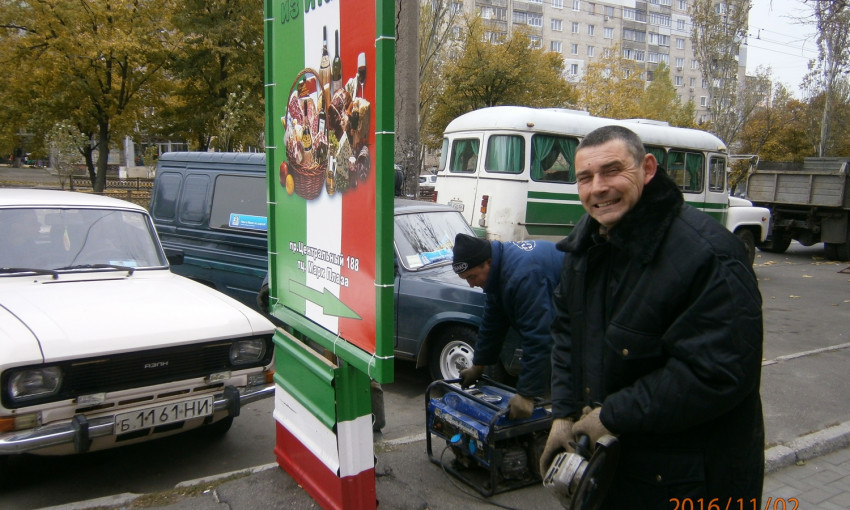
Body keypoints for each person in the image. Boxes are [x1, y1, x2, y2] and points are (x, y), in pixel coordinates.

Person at [539, 125, 764, 508]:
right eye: (584, 178)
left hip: (692, 482)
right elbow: (566, 334)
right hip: (618, 472)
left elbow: (717, 373)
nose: (598, 188)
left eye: (612, 171)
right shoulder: (587, 247)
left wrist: (613, 415)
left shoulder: (708, 255)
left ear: (647, 169)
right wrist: (562, 413)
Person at [452, 233, 564, 420]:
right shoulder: (499, 271)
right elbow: (492, 323)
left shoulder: (522, 276)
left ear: (487, 262)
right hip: (563, 319)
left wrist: (526, 394)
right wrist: (478, 366)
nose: (471, 285)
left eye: (472, 276)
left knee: (572, 397)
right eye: (466, 279)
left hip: (588, 320)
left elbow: (539, 335)